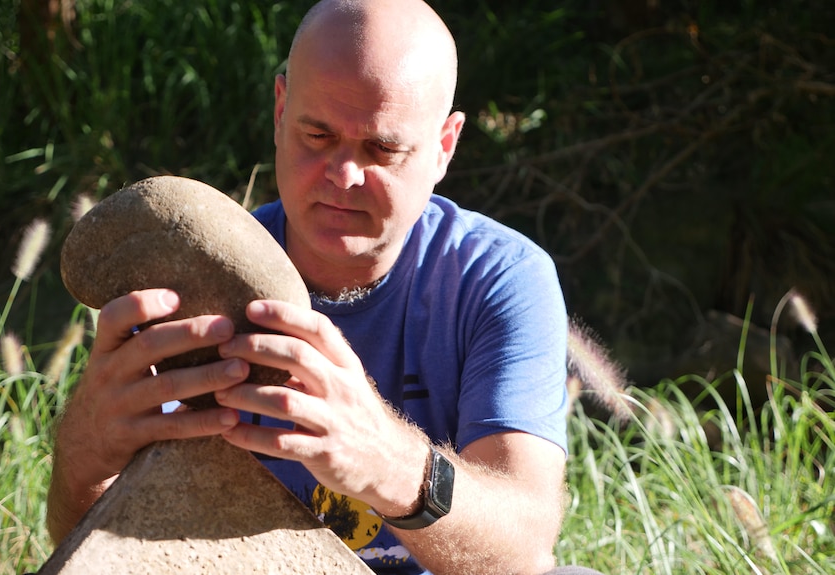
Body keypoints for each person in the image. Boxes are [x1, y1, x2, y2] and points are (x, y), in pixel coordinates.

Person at [47, 1, 601, 574]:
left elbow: (523, 549)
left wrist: (391, 465)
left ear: (444, 146)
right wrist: (86, 456)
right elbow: (94, 552)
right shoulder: (187, 280)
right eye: (318, 134)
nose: (342, 176)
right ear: (281, 111)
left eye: (382, 149)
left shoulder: (499, 279)